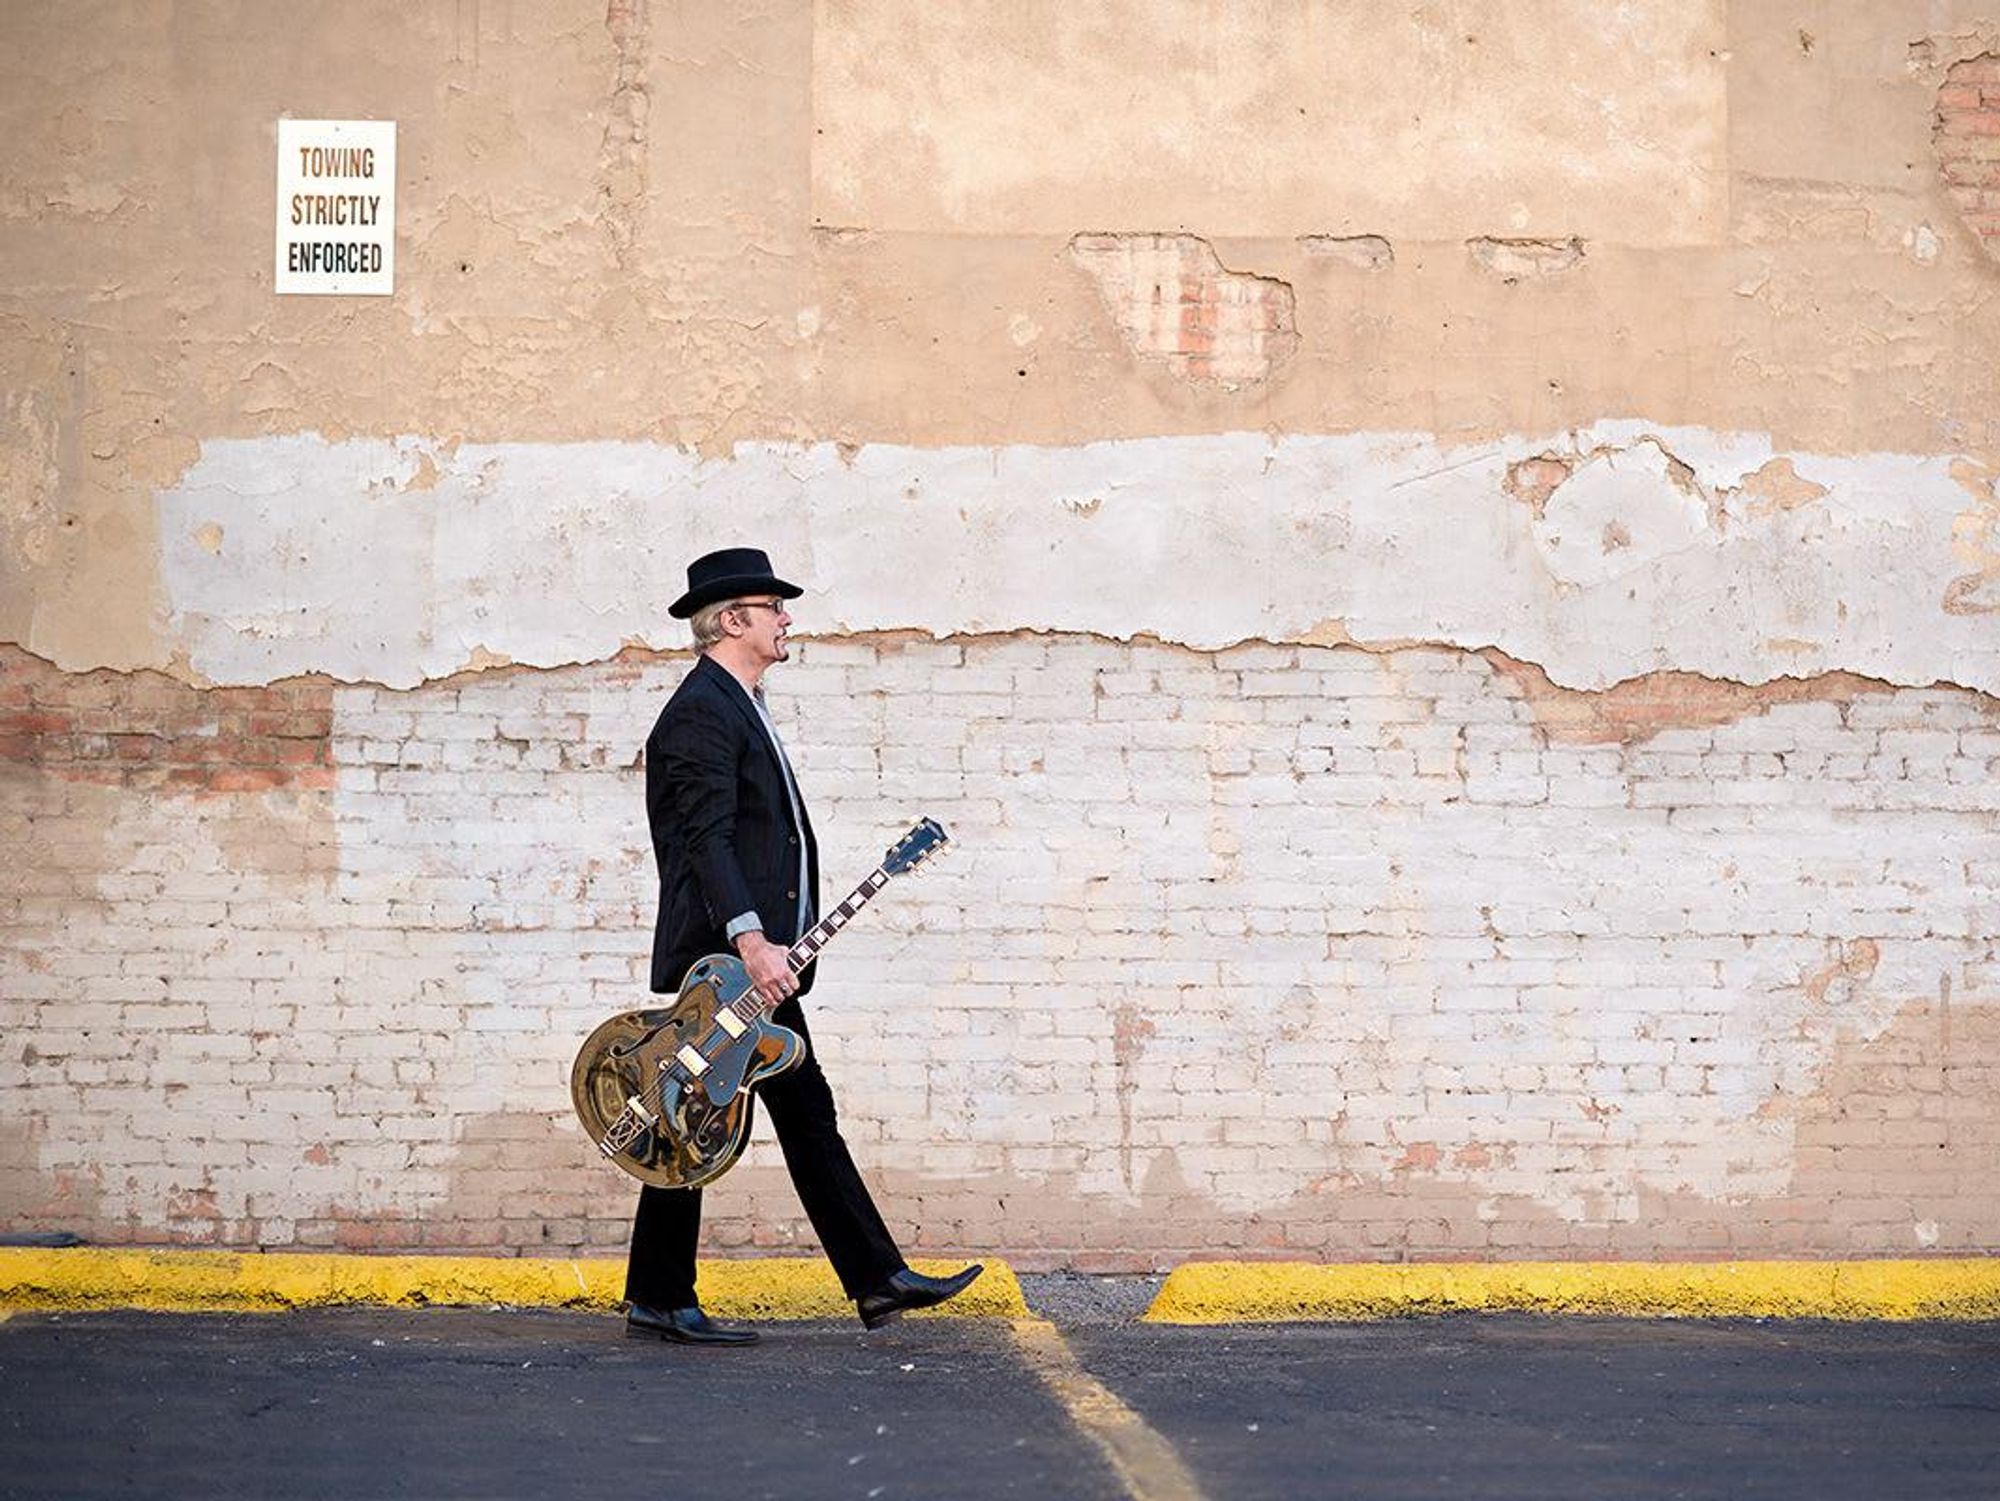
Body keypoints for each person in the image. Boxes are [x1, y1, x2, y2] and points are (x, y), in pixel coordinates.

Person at [622, 546, 983, 1345]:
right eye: (773, 607)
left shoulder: (738, 703)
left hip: (756, 956)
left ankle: (868, 1279)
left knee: (770, 1109)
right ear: (733, 620)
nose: (788, 619)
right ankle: (675, 1292)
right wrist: (752, 940)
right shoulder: (701, 714)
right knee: (697, 1116)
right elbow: (709, 840)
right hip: (723, 961)